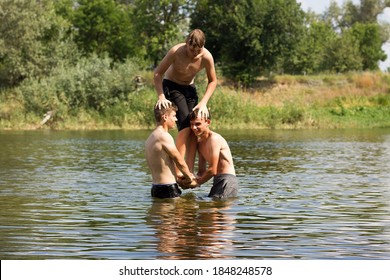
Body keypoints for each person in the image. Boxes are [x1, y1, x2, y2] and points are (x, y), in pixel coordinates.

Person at [153, 29, 217, 172]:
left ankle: (188, 169)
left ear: (203, 46)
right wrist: (161, 96)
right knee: (185, 125)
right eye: (191, 49)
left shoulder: (206, 56)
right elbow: (158, 73)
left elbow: (213, 81)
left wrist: (204, 103)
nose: (194, 54)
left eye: (198, 51)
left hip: (189, 89)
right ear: (187, 43)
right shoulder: (176, 51)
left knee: (195, 128)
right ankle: (178, 170)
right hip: (172, 86)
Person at [145, 103, 198, 199]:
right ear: (165, 117)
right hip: (168, 188)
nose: (176, 119)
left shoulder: (150, 137)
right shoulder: (164, 136)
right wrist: (189, 177)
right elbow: (179, 161)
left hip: (155, 188)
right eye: (174, 116)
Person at [190, 109, 238, 199]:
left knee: (219, 211)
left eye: (197, 124)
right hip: (217, 180)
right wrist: (190, 179)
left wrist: (197, 183)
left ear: (208, 122)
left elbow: (212, 170)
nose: (193, 127)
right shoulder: (200, 144)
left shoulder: (214, 139)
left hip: (227, 180)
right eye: (192, 124)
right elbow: (201, 172)